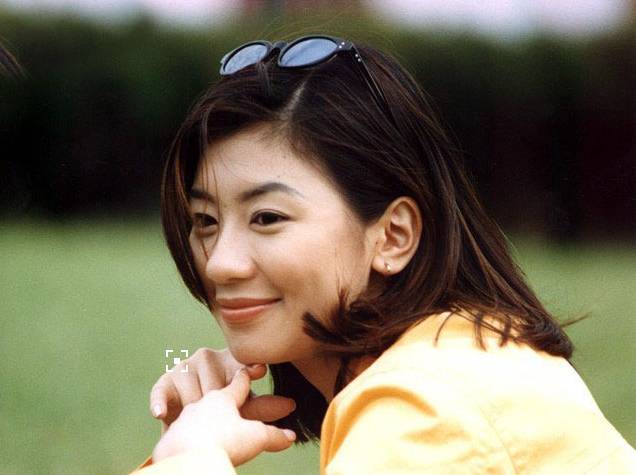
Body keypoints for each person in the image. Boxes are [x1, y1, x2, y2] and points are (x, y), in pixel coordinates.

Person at [131, 35, 636, 473]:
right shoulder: (461, 360)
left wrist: (191, 458)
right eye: (206, 221)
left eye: (267, 217)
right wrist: (187, 441)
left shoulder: (427, 408)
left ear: (393, 236)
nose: (220, 262)